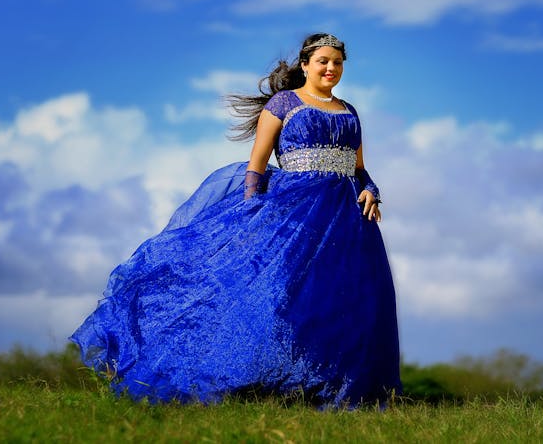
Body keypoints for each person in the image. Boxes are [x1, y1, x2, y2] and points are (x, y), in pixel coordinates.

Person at [70, 33, 401, 408]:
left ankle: (337, 388)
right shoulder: (284, 103)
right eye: (323, 61)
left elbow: (358, 168)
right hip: (295, 213)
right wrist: (251, 212)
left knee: (347, 300)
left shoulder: (349, 110)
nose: (331, 68)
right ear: (305, 64)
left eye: (337, 62)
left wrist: (372, 189)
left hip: (348, 218)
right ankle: (262, 382)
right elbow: (257, 163)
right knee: (283, 295)